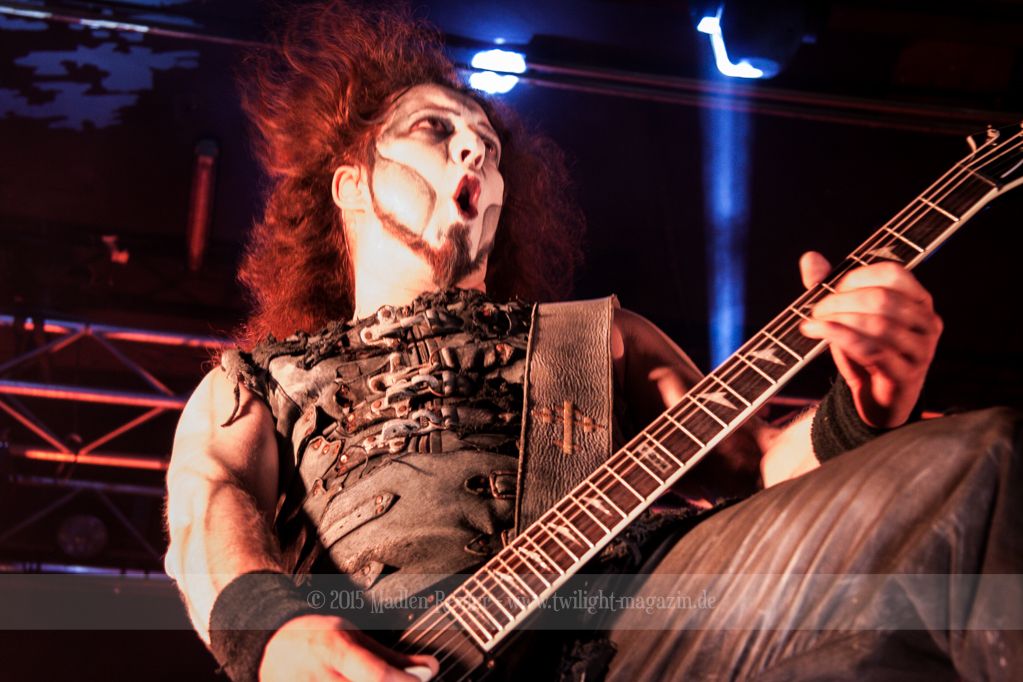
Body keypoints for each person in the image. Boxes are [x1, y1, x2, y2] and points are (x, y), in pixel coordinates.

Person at [163, 3, 1020, 681]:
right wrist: (271, 636)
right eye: (434, 129)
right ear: (350, 184)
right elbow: (209, 505)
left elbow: (757, 465)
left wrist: (860, 407)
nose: (472, 149)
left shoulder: (595, 338)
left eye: (486, 144)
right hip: (400, 656)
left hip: (633, 618)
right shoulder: (259, 379)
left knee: (982, 465)